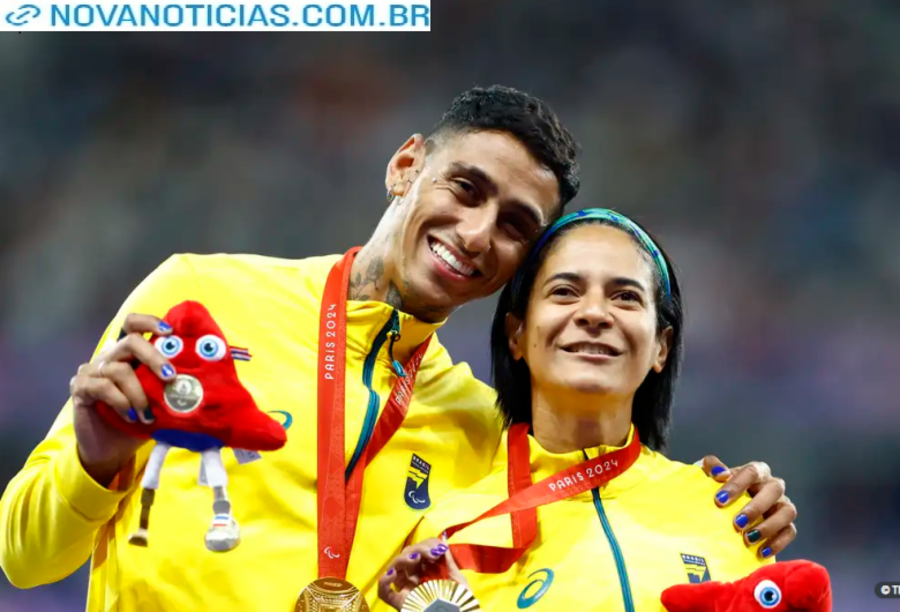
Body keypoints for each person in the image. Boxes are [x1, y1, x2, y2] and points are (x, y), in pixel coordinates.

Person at [0, 87, 794, 612]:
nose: (476, 234)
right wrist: (94, 462)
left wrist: (730, 501)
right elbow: (23, 559)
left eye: (515, 226)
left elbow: (606, 496)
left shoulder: (484, 427)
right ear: (406, 166)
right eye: (465, 189)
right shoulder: (201, 295)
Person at [378, 209, 795, 612]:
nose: (594, 313)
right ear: (516, 333)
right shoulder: (447, 540)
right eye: (564, 291)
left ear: (661, 347)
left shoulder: (732, 516)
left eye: (626, 297)